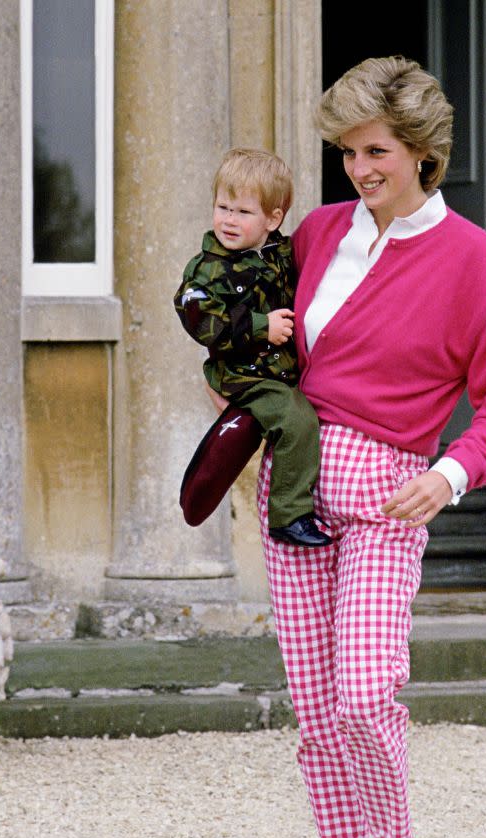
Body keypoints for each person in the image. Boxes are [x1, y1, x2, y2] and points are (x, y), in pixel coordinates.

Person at [207, 58, 486, 838]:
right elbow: (235, 312)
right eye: (348, 150)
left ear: (424, 152)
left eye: (377, 149)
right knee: (315, 713)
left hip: (392, 495)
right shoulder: (310, 234)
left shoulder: (478, 266)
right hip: (296, 495)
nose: (360, 167)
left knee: (363, 692)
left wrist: (452, 474)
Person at [174, 147, 331, 547]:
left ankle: (236, 429)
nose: (229, 220)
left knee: (286, 420)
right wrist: (262, 327)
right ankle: (289, 514)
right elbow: (200, 320)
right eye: (223, 207)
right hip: (244, 373)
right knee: (298, 420)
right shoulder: (208, 267)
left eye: (243, 212)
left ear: (272, 219)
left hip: (275, 370)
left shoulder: (279, 253)